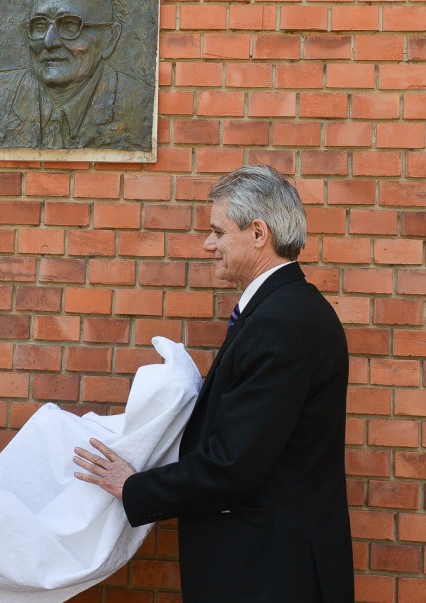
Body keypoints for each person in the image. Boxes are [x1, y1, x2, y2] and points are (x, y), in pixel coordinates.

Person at [74, 165, 355, 602]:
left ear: (258, 233)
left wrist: (134, 487)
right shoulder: (284, 310)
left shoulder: (280, 323)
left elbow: (233, 465)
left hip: (269, 574)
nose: (208, 244)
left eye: (218, 232)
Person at [0, 0, 154, 152]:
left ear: (110, 39)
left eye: (69, 25)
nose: (49, 42)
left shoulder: (141, 104)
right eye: (40, 26)